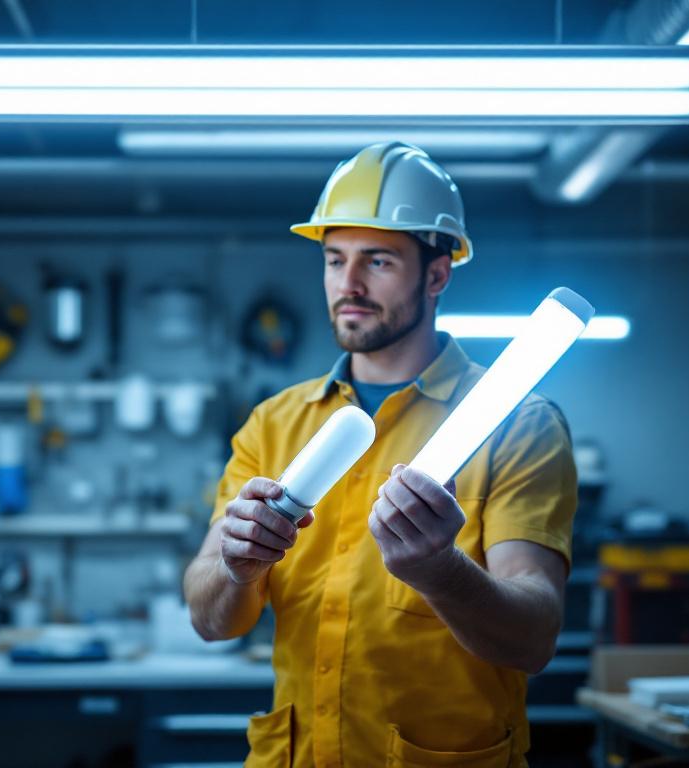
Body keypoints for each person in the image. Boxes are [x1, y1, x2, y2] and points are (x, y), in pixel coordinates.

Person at [183, 141, 577, 768]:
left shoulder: (516, 423)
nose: (349, 284)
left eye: (379, 261)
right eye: (334, 259)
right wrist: (236, 568)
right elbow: (210, 621)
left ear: (437, 275)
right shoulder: (274, 423)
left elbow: (534, 639)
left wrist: (440, 571)